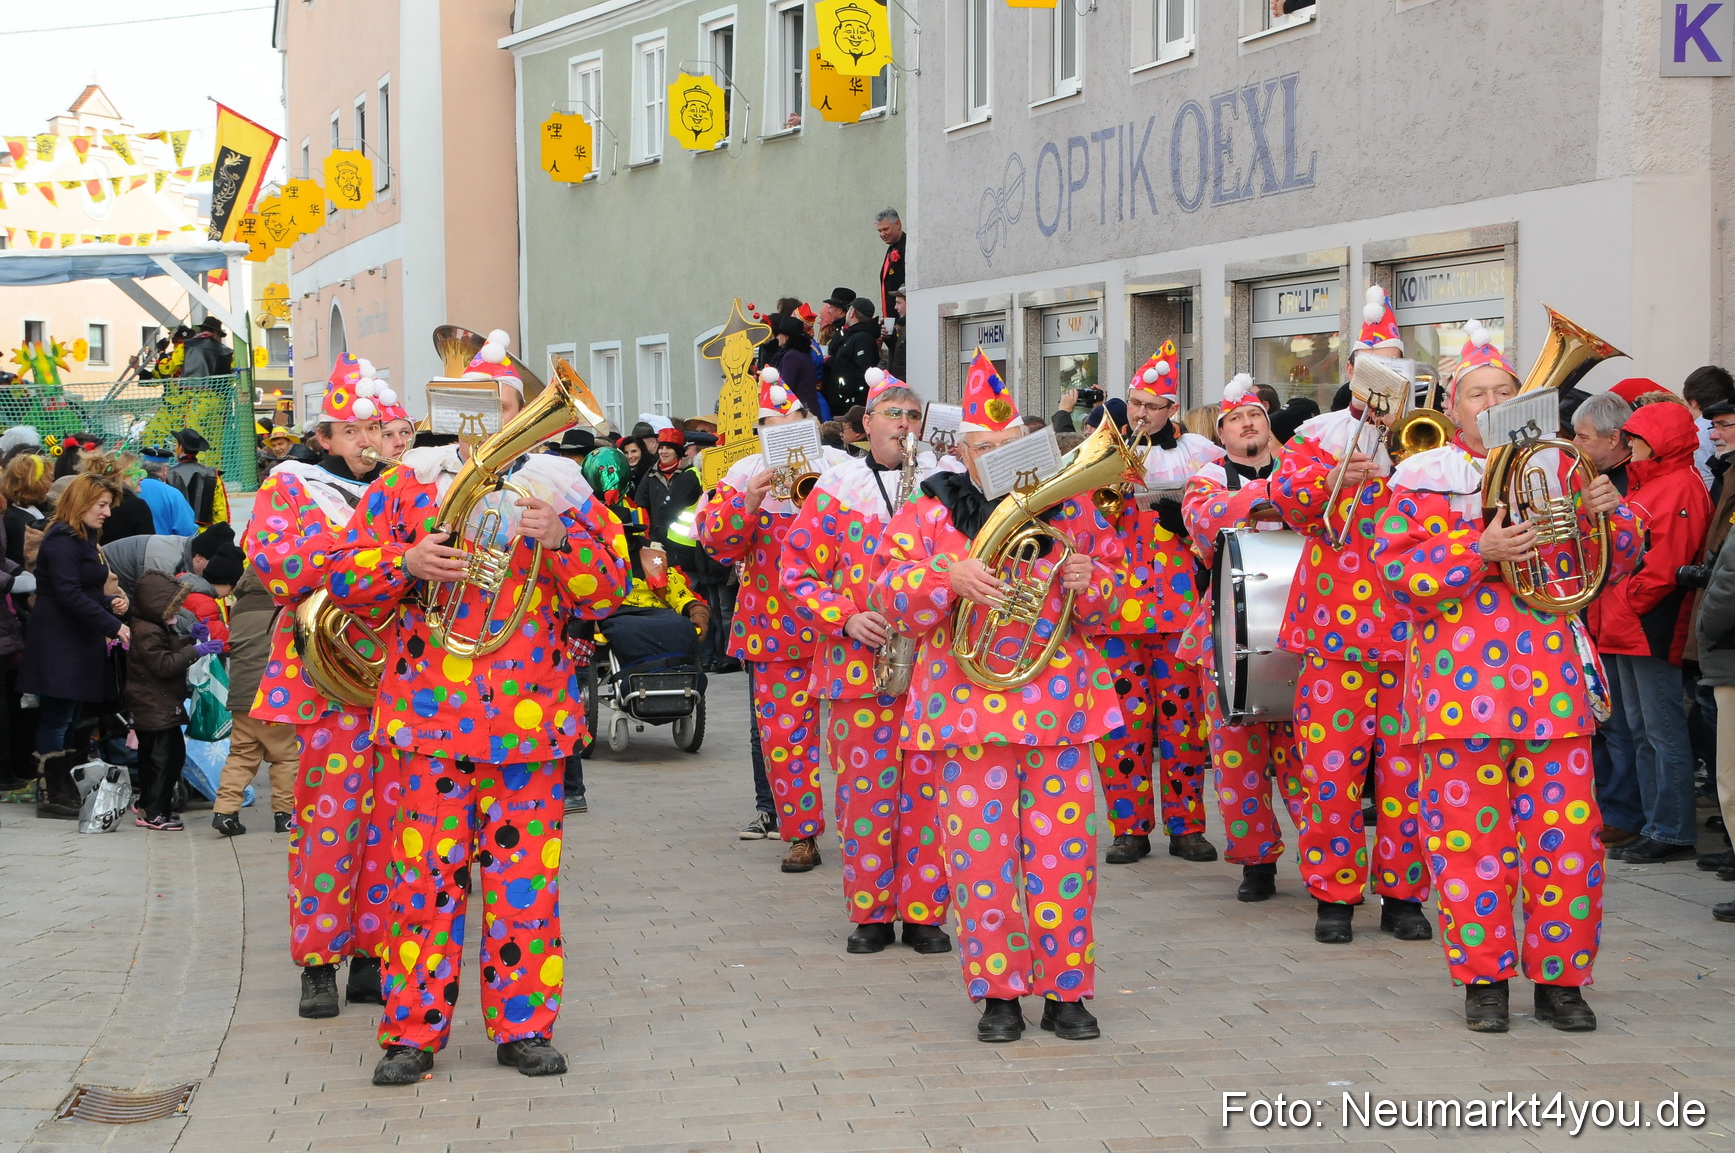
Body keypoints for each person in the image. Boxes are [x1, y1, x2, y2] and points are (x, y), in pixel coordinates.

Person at [325, 364, 628, 1087]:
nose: (489, 421)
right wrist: (404, 561)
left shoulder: (562, 490)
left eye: (505, 408)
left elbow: (609, 594)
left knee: (525, 887)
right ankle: (411, 1033)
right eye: (473, 407)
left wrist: (563, 539)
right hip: (427, 724)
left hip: (529, 728)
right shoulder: (404, 486)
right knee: (420, 884)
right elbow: (340, 577)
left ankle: (525, 1029)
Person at [1374, 322, 1637, 1032]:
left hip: (1552, 688)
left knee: (1569, 844)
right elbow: (1396, 576)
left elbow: (1615, 564)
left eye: (1504, 392)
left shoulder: (1559, 467)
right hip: (1458, 693)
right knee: (1469, 847)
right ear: (1454, 408)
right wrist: (1477, 548)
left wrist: (1610, 517)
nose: (1490, 403)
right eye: (1477, 393)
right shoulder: (1420, 478)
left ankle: (1562, 981)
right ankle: (1483, 982)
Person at [870, 351, 1125, 1043]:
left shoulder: (1071, 506)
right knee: (979, 863)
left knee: (1064, 859)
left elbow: (1116, 599)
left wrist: (1091, 580)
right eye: (985, 447)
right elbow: (886, 591)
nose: (999, 457)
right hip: (966, 714)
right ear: (962, 453)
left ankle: (1067, 991)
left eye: (1010, 444)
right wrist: (945, 577)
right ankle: (999, 994)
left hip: (1058, 710)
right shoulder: (927, 512)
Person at [1264, 289, 1434, 946]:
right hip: (1334, 636)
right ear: (1355, 372)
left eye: (1394, 364)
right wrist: (1335, 475)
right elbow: (1288, 503)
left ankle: (1403, 894)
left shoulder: (1431, 436)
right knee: (1329, 775)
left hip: (1411, 634)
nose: (1384, 377)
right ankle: (1332, 894)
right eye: (1373, 365)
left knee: (1406, 777)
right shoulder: (1316, 437)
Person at [242, 355, 397, 1021]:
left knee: (392, 828)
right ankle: (317, 963)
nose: (367, 440)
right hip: (328, 680)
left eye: (376, 428)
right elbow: (279, 567)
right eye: (352, 430)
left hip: (400, 680)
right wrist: (382, 561)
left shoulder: (406, 487)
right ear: (326, 437)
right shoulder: (291, 486)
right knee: (328, 827)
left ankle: (372, 958)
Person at [781, 368, 951, 956]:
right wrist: (846, 618)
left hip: (932, 667)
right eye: (892, 414)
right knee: (865, 797)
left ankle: (925, 912)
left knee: (929, 795)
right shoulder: (836, 489)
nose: (904, 425)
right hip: (859, 666)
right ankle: (871, 913)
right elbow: (796, 572)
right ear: (866, 425)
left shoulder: (945, 485)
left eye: (912, 415)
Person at [697, 370, 849, 865]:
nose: (783, 431)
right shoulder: (741, 475)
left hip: (844, 627)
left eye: (794, 421)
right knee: (783, 738)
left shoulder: (844, 469)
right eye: (772, 426)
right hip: (773, 628)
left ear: (810, 422)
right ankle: (800, 834)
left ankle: (867, 832)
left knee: (859, 735)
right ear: (760, 432)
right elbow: (716, 545)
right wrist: (749, 501)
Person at [1086, 343, 1221, 866]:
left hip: (1180, 610)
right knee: (1124, 727)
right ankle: (1129, 828)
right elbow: (1080, 524)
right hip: (1116, 610)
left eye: (1151, 406)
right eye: (1136, 403)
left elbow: (1219, 523)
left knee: (1184, 724)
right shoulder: (1101, 450)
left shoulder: (1200, 455)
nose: (1140, 413)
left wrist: (1183, 522)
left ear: (1172, 408)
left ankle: (1187, 827)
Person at [1180, 377, 1305, 903]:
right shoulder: (1206, 479)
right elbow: (1205, 521)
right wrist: (1277, 496)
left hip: (1302, 629)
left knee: (1308, 759)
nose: (1248, 424)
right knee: (1237, 759)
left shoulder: (1301, 467)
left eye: (1255, 415)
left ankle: (1326, 859)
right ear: (1222, 433)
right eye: (1235, 419)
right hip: (1227, 635)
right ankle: (1257, 862)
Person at [1597, 401, 1710, 864]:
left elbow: (1665, 566)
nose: (1630, 446)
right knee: (1642, 731)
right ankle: (1654, 824)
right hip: (1627, 621)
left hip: (1648, 624)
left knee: (1661, 732)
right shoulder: (1654, 481)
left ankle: (1671, 830)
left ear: (1658, 442)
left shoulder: (1679, 484)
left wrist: (1623, 599)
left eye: (1637, 439)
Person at [17, 473, 129, 820]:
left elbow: (83, 590)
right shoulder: (62, 539)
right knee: (57, 716)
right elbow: (67, 593)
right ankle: (51, 789)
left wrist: (109, 603)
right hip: (59, 640)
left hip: (78, 638)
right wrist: (112, 624)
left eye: (108, 506)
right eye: (101, 505)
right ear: (81, 502)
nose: (107, 512)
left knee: (71, 716)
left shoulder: (83, 537)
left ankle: (63, 785)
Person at [1573, 393, 1644, 850]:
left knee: (1619, 725)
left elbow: (1640, 555)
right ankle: (1603, 807)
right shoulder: (1587, 475)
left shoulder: (1622, 481)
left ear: (1614, 438)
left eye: (1582, 437)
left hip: (1622, 617)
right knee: (1602, 722)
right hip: (1600, 615)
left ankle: (1623, 812)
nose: (1575, 445)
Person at [125, 569, 223, 830]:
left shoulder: (153, 627)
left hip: (157, 704)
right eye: (174, 605)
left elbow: (168, 652)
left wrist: (191, 639)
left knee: (158, 757)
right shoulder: (148, 631)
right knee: (164, 759)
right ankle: (154, 813)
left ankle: (149, 805)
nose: (178, 610)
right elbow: (164, 665)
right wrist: (196, 650)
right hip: (155, 706)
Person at [212, 569, 297, 837]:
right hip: (276, 696)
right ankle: (285, 815)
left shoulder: (238, 609)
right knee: (285, 756)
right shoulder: (287, 607)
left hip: (241, 697)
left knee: (241, 755)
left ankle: (225, 811)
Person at [826, 297, 882, 415]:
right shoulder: (853, 335)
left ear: (852, 313)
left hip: (850, 406)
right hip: (843, 402)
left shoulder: (863, 338)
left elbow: (863, 372)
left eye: (848, 310)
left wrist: (850, 398)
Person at [169, 428, 229, 527]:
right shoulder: (212, 474)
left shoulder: (168, 474)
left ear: (181, 447)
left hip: (177, 532)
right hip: (205, 533)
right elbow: (219, 510)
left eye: (176, 445)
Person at [136, 446, 199, 536]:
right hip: (162, 544)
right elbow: (187, 530)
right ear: (165, 470)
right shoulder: (173, 494)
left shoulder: (129, 489)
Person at [772, 315, 823, 417]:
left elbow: (785, 387)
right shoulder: (803, 353)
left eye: (779, 334)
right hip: (810, 408)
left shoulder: (791, 356)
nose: (777, 337)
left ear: (787, 336)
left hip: (799, 412)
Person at [876, 208, 906, 317]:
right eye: (879, 231)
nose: (882, 234)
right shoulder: (891, 249)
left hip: (903, 318)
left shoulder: (907, 247)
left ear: (898, 224)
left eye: (885, 229)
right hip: (891, 318)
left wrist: (901, 321)